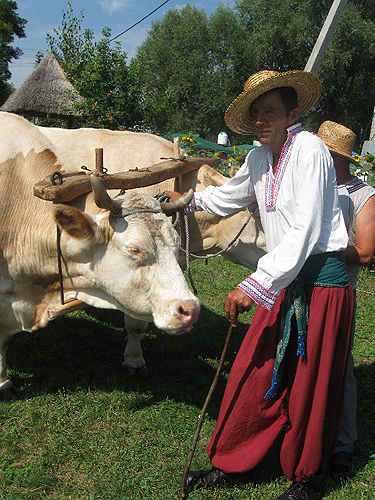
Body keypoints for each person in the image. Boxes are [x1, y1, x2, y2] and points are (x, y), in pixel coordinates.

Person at [165, 70, 354, 500]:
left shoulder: (309, 150)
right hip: (283, 279)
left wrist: (254, 284)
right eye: (255, 113)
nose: (260, 120)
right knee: (252, 370)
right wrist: (186, 201)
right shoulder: (256, 159)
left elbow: (305, 230)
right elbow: (227, 197)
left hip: (322, 283)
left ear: (294, 113)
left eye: (269, 111)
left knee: (310, 383)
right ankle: (232, 462)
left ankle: (308, 478)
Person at [317, 121, 375, 478]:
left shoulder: (362, 195)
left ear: (332, 156)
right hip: (302, 286)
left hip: (339, 290)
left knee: (340, 366)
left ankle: (342, 445)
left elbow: (367, 253)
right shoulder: (310, 188)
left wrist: (321, 250)